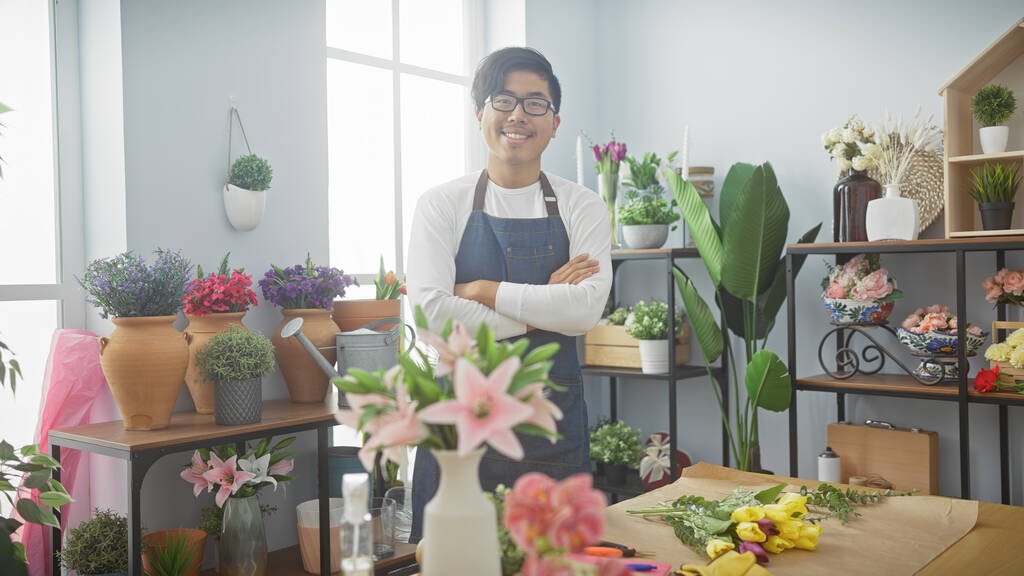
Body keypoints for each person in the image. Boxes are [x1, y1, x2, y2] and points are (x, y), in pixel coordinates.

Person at [406, 46, 612, 543]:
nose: (519, 114)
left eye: (535, 103)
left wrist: (482, 291)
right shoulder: (440, 204)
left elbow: (584, 310)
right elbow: (433, 318)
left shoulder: (581, 205)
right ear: (480, 114)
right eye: (504, 100)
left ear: (555, 122)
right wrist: (545, 306)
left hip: (550, 427)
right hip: (458, 432)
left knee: (555, 562)